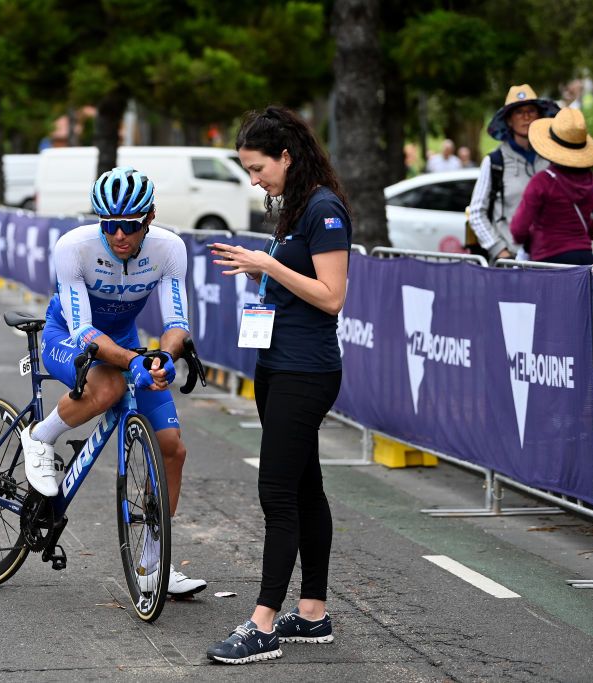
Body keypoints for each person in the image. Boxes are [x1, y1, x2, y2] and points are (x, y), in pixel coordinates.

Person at [204, 107, 351, 665]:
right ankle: (312, 613)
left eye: (258, 167)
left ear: (287, 156)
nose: (253, 179)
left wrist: (267, 265)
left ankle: (263, 623)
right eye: (247, 169)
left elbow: (332, 295)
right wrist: (267, 269)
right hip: (279, 364)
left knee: (278, 494)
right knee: (306, 488)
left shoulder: (324, 208)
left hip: (305, 371)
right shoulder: (296, 205)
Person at [21, 166, 206, 598]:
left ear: (150, 218)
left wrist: (162, 356)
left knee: (172, 449)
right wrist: (133, 362)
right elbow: (84, 332)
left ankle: (154, 564)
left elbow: (178, 321)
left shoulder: (169, 249)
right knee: (110, 388)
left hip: (124, 341)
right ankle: (40, 435)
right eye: (109, 225)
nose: (119, 235)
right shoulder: (75, 248)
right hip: (67, 336)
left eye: (130, 225)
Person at [468, 84, 559, 263]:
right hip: (510, 260)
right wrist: (499, 250)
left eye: (531, 110)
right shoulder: (495, 162)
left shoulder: (553, 159)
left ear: (539, 116)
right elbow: (476, 212)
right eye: (519, 112)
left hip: (550, 260)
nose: (526, 117)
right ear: (509, 120)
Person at [510, 108, 593, 265]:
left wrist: (535, 236)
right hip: (585, 259)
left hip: (548, 261)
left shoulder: (542, 182)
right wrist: (579, 235)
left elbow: (518, 230)